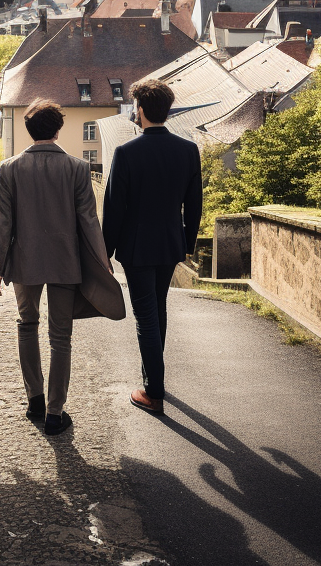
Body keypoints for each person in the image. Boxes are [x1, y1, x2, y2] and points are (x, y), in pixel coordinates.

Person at [0, 98, 116, 437]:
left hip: (24, 260)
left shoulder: (9, 168)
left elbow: (3, 224)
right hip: (65, 259)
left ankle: (34, 397)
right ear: (58, 130)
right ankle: (55, 412)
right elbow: (89, 221)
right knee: (61, 337)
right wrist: (103, 261)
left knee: (26, 324)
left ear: (29, 131)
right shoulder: (77, 168)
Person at [101, 78, 202, 415]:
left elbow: (114, 207)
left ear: (140, 110)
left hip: (136, 247)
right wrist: (187, 242)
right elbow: (194, 204)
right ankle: (154, 378)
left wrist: (106, 251)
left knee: (146, 316)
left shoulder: (127, 153)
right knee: (158, 308)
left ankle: (153, 391)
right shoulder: (188, 151)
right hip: (171, 243)